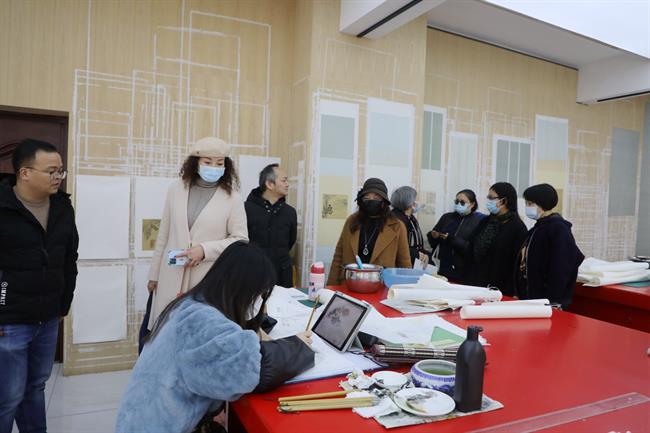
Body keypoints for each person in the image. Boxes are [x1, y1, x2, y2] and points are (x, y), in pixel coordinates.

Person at [117, 242, 314, 433]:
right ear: (243, 289)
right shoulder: (202, 321)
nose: (258, 301)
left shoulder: (192, 304)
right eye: (258, 294)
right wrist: (297, 346)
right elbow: (248, 370)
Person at [0, 139, 79, 433]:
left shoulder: (62, 207)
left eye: (61, 171)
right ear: (25, 173)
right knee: (7, 396)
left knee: (35, 387)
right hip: (9, 319)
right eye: (51, 171)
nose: (58, 177)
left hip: (48, 317)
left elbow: (69, 257)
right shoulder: (3, 207)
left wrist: (63, 303)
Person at [141, 137, 248, 351]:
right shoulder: (176, 189)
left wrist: (205, 250)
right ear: (196, 162)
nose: (214, 167)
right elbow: (164, 234)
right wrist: (154, 274)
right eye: (208, 162)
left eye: (219, 163)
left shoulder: (233, 198)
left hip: (206, 277)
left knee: (195, 338)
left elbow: (241, 240)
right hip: (170, 274)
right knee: (163, 335)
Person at [327, 178, 411, 286]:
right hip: (349, 286)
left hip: (382, 288)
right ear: (361, 201)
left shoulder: (397, 226)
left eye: (376, 198)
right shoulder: (351, 222)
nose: (371, 200)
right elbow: (338, 257)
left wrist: (404, 292)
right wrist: (330, 288)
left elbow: (405, 266)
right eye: (367, 198)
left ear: (384, 202)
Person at [515, 184, 584, 308]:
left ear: (542, 204)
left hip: (548, 301)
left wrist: (554, 300)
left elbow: (561, 267)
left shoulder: (558, 229)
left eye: (530, 204)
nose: (527, 207)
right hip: (532, 297)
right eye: (526, 203)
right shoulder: (538, 228)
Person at [467, 182, 527, 295]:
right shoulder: (486, 221)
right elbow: (472, 246)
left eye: (491, 198)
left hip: (500, 287)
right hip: (476, 282)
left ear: (504, 201)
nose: (488, 201)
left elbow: (516, 263)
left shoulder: (517, 227)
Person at [245, 164, 297, 288]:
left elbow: (290, 241)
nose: (287, 184)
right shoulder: (245, 209)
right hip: (252, 274)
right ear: (270, 184)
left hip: (282, 276)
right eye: (284, 180)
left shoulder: (290, 212)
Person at [427, 189, 486, 282]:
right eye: (456, 201)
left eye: (462, 202)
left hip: (462, 270)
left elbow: (473, 248)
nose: (458, 204)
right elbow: (433, 243)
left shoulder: (479, 220)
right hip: (441, 267)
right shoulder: (447, 217)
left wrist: (451, 239)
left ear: (472, 204)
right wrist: (433, 236)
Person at [390, 186, 428, 265]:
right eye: (416, 199)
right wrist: (417, 254)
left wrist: (424, 254)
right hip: (400, 266)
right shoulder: (396, 220)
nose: (417, 202)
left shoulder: (411, 218)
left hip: (414, 262)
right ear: (408, 201)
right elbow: (396, 246)